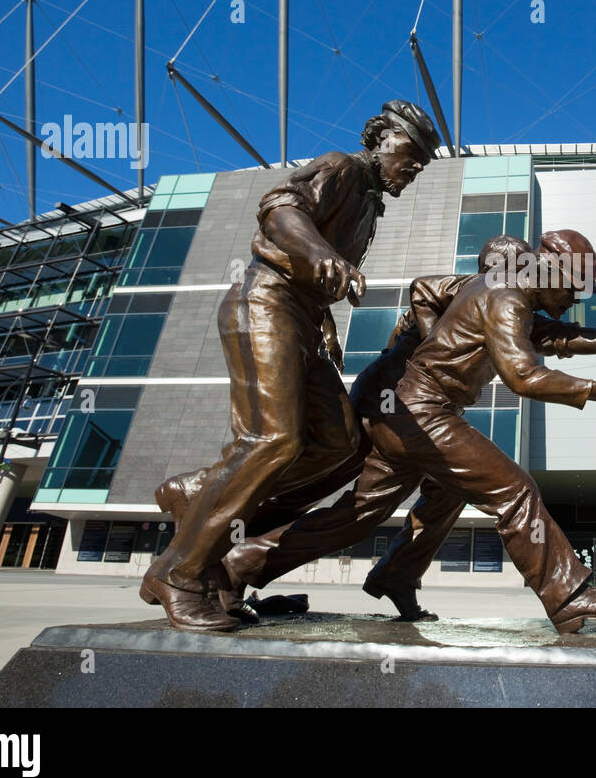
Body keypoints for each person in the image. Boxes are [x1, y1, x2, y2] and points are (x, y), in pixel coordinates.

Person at [222, 229, 596, 633]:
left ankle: (247, 563)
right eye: (572, 290)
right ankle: (567, 594)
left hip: (408, 412)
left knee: (368, 513)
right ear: (547, 270)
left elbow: (553, 335)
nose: (573, 300)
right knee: (514, 490)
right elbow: (523, 376)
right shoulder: (506, 299)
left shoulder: (506, 291)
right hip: (423, 411)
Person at [141, 99, 441, 633]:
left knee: (341, 447)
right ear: (380, 139)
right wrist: (318, 252)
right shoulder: (343, 166)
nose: (414, 168)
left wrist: (324, 319)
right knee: (272, 440)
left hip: (303, 321)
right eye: (410, 154)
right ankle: (179, 573)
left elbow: (317, 270)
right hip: (265, 304)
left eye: (423, 162)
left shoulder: (370, 206)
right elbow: (280, 207)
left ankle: (198, 494)